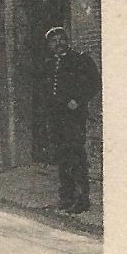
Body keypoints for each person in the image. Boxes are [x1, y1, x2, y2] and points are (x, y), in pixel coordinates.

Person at [41, 26, 102, 214]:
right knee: (62, 156)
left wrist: (79, 100)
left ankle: (82, 199)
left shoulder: (80, 60)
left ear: (67, 41)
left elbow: (95, 83)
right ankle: (66, 197)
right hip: (56, 117)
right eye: (54, 41)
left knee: (76, 156)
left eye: (61, 39)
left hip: (73, 117)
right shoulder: (49, 63)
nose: (58, 43)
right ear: (50, 45)